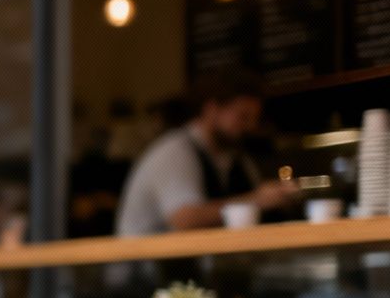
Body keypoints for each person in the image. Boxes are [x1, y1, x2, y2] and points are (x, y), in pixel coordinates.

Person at [115, 69, 299, 237]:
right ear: (212, 109)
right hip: (144, 269)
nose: (250, 126)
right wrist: (258, 200)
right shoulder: (175, 152)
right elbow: (185, 219)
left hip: (197, 268)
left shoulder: (236, 158)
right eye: (243, 117)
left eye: (253, 119)